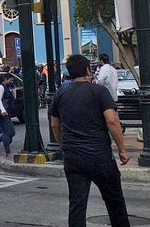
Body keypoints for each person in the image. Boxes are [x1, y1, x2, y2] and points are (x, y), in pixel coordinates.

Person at [48, 54, 131, 227]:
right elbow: (112, 121)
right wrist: (122, 149)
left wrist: (63, 144)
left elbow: (55, 124)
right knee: (115, 201)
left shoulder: (61, 93)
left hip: (74, 158)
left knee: (77, 204)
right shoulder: (99, 92)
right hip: (100, 156)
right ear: (87, 70)